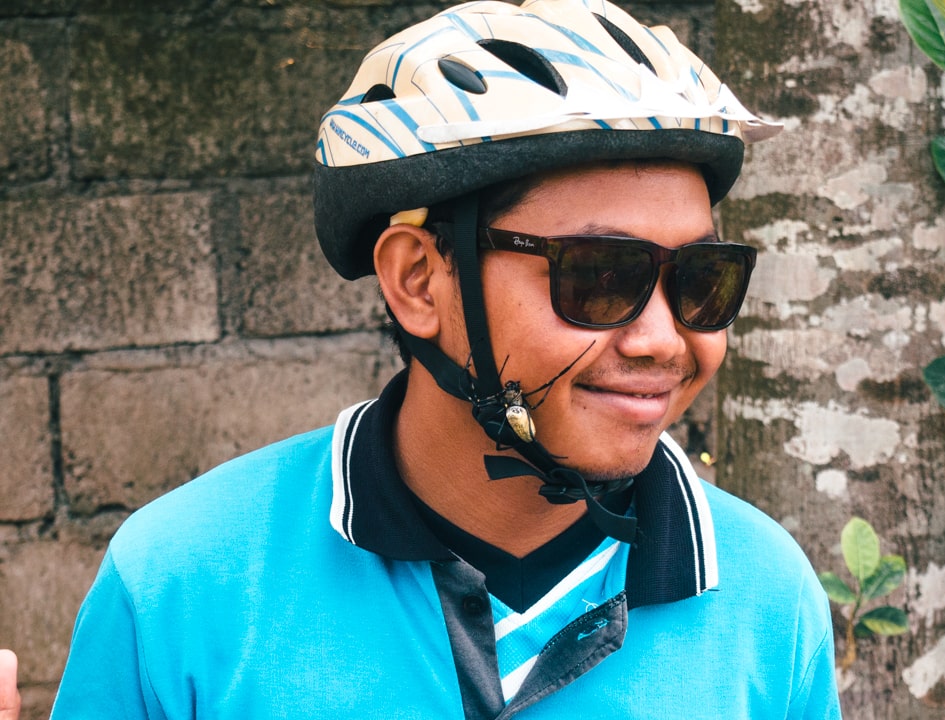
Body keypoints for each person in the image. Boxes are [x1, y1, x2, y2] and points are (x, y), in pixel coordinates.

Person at [22, 0, 843, 717]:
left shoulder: (767, 597)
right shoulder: (182, 583)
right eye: (600, 276)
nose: (664, 339)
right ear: (419, 280)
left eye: (703, 280)